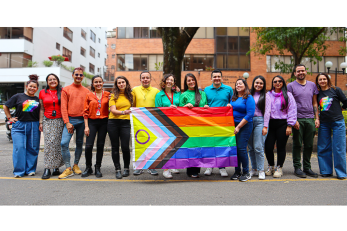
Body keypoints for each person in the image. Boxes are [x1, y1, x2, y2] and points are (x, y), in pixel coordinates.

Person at [4, 75, 41, 178]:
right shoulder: (18, 96)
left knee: (33, 148)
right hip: (19, 125)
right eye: (30, 86)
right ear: (26, 86)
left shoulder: (38, 100)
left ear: (37, 89)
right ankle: (19, 171)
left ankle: (30, 170)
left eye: (34, 87)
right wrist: (9, 118)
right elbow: (6, 106)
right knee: (19, 148)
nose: (32, 88)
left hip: (34, 125)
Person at [287, 64, 320, 178]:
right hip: (298, 119)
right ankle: (297, 167)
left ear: (306, 72)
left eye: (302, 70)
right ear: (295, 73)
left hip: (310, 118)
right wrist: (293, 120)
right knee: (297, 144)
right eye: (298, 71)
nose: (300, 73)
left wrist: (316, 118)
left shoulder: (312, 85)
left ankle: (307, 167)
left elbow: (315, 102)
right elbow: (289, 104)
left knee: (309, 145)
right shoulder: (290, 86)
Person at [59, 67, 90, 179]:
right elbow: (63, 107)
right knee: (64, 143)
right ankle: (68, 168)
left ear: (83, 77)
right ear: (72, 75)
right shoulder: (66, 89)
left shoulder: (87, 91)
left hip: (82, 120)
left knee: (79, 143)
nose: (78, 76)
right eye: (76, 74)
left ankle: (76, 165)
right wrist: (67, 122)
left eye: (80, 75)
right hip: (70, 120)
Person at [264, 75, 297, 178]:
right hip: (271, 123)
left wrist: (289, 125)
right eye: (275, 81)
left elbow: (292, 110)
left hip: (283, 123)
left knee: (281, 147)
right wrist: (264, 125)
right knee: (268, 146)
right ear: (272, 83)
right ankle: (271, 166)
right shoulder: (268, 95)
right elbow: (265, 110)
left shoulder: (288, 95)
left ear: (283, 83)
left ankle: (279, 167)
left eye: (280, 81)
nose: (277, 83)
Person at [316, 73, 347, 179]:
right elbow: (316, 107)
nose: (322, 81)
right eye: (320, 79)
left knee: (339, 148)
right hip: (324, 123)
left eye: (324, 79)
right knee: (323, 147)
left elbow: (345, 101)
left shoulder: (335, 90)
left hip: (337, 122)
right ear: (318, 82)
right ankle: (326, 171)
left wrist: (341, 109)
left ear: (328, 80)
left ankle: (341, 173)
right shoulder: (318, 93)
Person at [203, 69, 233, 177]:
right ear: (211, 78)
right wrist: (205, 106)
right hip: (210, 121)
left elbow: (232, 101)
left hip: (223, 121)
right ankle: (209, 166)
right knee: (210, 143)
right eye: (214, 76)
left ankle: (222, 167)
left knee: (222, 144)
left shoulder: (228, 89)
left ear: (222, 78)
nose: (217, 78)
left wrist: (230, 105)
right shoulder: (206, 90)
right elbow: (203, 103)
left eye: (218, 76)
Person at [179, 73, 209, 178]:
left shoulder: (202, 94)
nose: (191, 82)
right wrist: (185, 106)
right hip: (189, 125)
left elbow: (206, 106)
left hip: (201, 125)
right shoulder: (183, 95)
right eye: (189, 80)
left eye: (193, 80)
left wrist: (206, 106)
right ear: (186, 83)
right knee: (191, 147)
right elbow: (179, 111)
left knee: (199, 147)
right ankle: (190, 169)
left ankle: (197, 169)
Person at [132, 71, 160, 176]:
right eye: (143, 78)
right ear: (140, 80)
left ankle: (152, 167)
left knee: (153, 145)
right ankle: (139, 167)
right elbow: (132, 104)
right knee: (140, 144)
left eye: (147, 78)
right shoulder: (134, 90)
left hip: (153, 122)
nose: (145, 79)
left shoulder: (156, 91)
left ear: (150, 79)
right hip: (138, 121)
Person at [82, 75, 110, 178]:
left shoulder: (108, 94)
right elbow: (85, 112)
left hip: (104, 122)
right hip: (91, 122)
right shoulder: (89, 95)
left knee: (100, 145)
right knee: (88, 146)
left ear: (103, 83)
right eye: (96, 82)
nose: (98, 84)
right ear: (93, 84)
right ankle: (88, 167)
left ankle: (98, 167)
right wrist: (86, 126)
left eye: (100, 82)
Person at [108, 76, 135, 179]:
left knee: (125, 147)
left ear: (126, 83)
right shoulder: (113, 95)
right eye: (119, 83)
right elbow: (113, 110)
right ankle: (117, 169)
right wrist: (123, 112)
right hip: (113, 122)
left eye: (123, 82)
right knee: (115, 147)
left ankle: (126, 168)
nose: (121, 84)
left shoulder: (131, 95)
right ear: (116, 85)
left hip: (125, 123)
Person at [155, 73, 181, 179]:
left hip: (177, 122)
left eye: (172, 80)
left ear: (174, 83)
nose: (169, 81)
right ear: (164, 82)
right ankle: (166, 169)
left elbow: (181, 106)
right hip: (165, 123)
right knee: (167, 146)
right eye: (168, 80)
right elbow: (157, 110)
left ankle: (173, 165)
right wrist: (168, 108)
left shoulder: (178, 94)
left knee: (176, 145)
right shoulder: (159, 95)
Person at [39, 74, 64, 179]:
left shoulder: (62, 91)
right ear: (47, 82)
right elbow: (41, 109)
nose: (52, 81)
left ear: (57, 81)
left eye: (54, 79)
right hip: (47, 120)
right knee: (49, 144)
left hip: (60, 120)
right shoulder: (42, 92)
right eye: (50, 80)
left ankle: (56, 168)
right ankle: (47, 168)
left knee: (58, 144)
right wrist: (40, 122)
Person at [229, 79, 255, 182]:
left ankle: (246, 172)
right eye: (236, 84)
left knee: (241, 148)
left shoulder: (248, 97)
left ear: (245, 85)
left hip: (244, 125)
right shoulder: (234, 98)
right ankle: (237, 172)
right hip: (233, 126)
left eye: (240, 83)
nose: (238, 85)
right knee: (235, 149)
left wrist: (239, 126)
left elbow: (250, 114)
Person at [248, 75, 267, 180]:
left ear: (263, 85)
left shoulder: (266, 96)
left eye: (261, 83)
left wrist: (265, 126)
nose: (258, 85)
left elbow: (268, 113)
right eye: (256, 83)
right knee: (250, 148)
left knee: (258, 147)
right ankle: (254, 169)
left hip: (260, 121)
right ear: (253, 83)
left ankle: (261, 170)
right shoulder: (249, 95)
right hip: (249, 121)